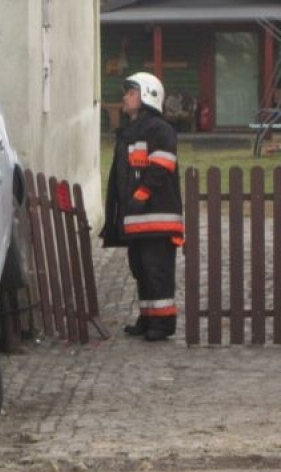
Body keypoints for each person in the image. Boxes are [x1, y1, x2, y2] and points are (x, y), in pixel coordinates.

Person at [101, 72, 184, 341]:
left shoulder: (160, 130)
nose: (125, 97)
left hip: (157, 218)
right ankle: (148, 318)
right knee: (141, 269)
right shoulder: (132, 132)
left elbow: (162, 165)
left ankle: (163, 323)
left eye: (131, 93)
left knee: (157, 270)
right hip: (138, 219)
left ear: (147, 96)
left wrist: (141, 194)